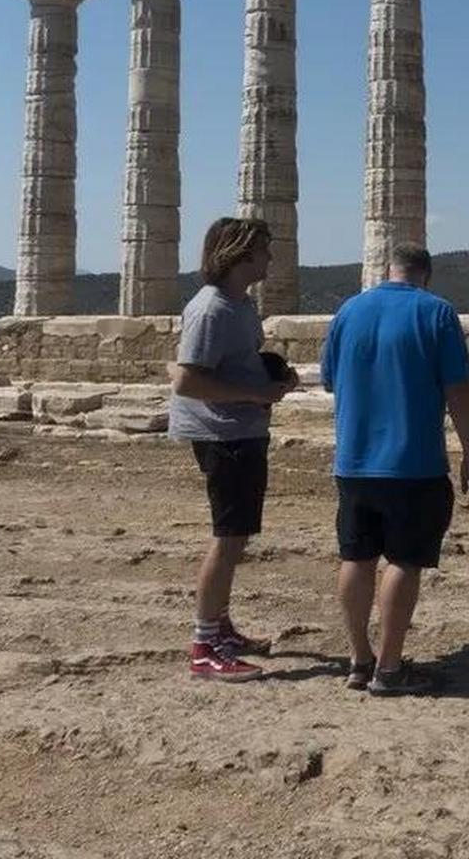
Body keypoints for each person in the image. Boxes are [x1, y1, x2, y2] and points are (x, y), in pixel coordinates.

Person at [320, 243, 469, 696]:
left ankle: (358, 659)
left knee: (356, 557)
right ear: (425, 275)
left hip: (352, 460)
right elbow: (458, 389)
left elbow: (331, 380)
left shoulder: (348, 312)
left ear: (386, 270)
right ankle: (389, 669)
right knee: (405, 561)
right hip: (413, 462)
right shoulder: (436, 312)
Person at [168, 216, 297, 682]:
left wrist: (271, 375)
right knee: (226, 540)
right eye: (264, 250)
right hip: (222, 433)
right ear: (241, 254)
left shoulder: (240, 304)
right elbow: (186, 380)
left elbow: (233, 363)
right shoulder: (211, 309)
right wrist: (255, 395)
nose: (270, 258)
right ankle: (205, 644)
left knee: (237, 537)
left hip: (242, 427)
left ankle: (221, 625)